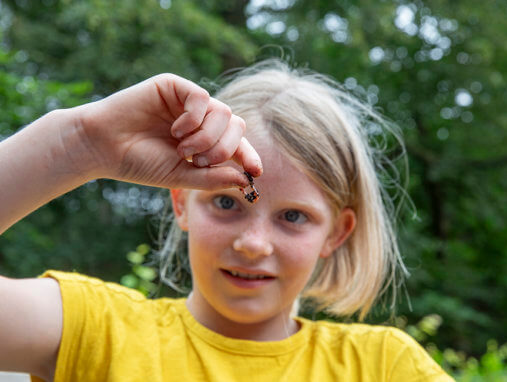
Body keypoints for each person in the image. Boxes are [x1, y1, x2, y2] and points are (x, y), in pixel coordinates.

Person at [0, 59, 453, 381]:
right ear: (181, 203)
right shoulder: (96, 330)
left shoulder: (384, 368)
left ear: (337, 233)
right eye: (226, 204)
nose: (254, 244)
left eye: (293, 216)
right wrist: (80, 144)